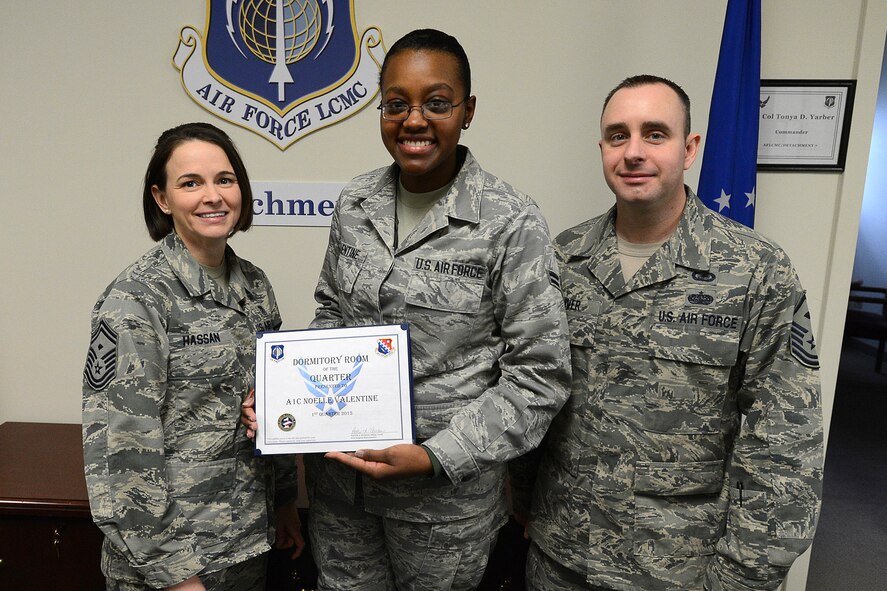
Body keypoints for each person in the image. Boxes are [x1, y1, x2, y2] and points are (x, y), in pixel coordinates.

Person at [243, 28, 570, 590]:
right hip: (342, 491)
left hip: (443, 503)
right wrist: (284, 399)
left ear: (467, 111)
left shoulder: (511, 222)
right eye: (396, 104)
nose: (413, 119)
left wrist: (436, 456)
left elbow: (540, 375)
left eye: (436, 103)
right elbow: (331, 316)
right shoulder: (355, 202)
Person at [521, 75, 824, 590]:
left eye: (654, 134)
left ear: (690, 149)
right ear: (602, 149)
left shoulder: (756, 272)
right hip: (560, 559)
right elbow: (531, 394)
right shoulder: (562, 258)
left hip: (680, 571)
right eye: (618, 136)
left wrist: (739, 578)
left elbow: (785, 446)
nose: (633, 151)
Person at [82, 122, 304, 591]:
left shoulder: (255, 287)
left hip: (246, 546)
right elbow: (121, 451)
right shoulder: (137, 298)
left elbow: (273, 402)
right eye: (190, 183)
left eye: (225, 179)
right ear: (162, 199)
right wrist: (175, 576)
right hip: (170, 564)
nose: (213, 196)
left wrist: (284, 502)